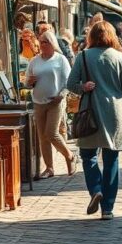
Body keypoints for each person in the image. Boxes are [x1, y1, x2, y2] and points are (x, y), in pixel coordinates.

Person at [67, 22, 122, 220]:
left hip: (91, 112)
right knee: (111, 158)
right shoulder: (120, 57)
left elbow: (70, 84)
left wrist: (84, 87)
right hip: (115, 113)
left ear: (92, 37)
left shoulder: (83, 57)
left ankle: (96, 189)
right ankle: (108, 208)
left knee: (88, 156)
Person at [27, 31, 76, 179]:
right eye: (41, 42)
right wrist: (29, 82)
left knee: (52, 133)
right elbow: (27, 82)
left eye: (45, 42)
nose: (42, 45)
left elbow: (69, 81)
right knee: (42, 136)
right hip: (38, 102)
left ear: (52, 44)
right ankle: (49, 168)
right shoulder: (34, 61)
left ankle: (69, 155)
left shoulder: (60, 60)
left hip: (55, 101)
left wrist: (61, 95)